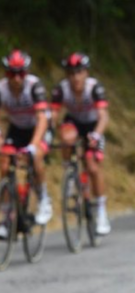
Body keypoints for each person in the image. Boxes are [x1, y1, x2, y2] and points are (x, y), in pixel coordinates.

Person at [0, 49, 52, 239]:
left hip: (38, 128)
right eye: (12, 73)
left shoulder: (34, 85)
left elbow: (42, 119)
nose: (16, 78)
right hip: (17, 129)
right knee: (5, 165)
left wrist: (33, 145)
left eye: (21, 73)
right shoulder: (0, 88)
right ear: (6, 73)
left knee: (35, 156)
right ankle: (7, 217)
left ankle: (44, 198)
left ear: (26, 72)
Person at [51, 52, 111, 235]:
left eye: (79, 72)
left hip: (93, 125)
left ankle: (101, 210)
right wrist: (50, 130)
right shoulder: (61, 89)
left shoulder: (94, 88)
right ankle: (69, 170)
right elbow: (53, 114)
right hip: (74, 122)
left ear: (86, 73)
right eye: (71, 73)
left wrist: (96, 134)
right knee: (67, 137)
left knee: (92, 166)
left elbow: (104, 115)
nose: (75, 77)